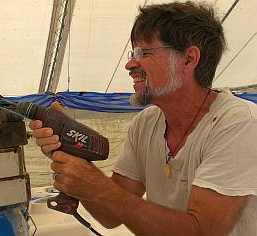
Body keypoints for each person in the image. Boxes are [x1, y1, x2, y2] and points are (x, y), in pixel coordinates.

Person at [29, 1, 257, 235]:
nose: (129, 64)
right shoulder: (147, 122)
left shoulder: (238, 123)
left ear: (188, 59)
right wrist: (71, 153)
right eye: (132, 53)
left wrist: (100, 187)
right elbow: (110, 215)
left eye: (144, 53)